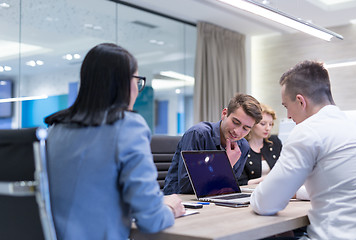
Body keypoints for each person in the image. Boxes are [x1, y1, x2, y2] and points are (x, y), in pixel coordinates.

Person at [44, 43, 185, 239]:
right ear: (124, 84)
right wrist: (169, 208)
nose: (137, 89)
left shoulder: (55, 129)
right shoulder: (128, 126)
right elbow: (151, 220)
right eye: (137, 80)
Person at [250, 60, 356, 240]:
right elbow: (337, 186)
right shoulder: (353, 126)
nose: (288, 116)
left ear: (300, 101)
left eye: (286, 106)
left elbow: (266, 203)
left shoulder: (307, 131)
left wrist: (258, 193)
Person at [163, 93, 263, 195]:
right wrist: (225, 165)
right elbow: (187, 187)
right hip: (182, 201)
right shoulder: (198, 134)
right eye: (235, 122)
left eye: (245, 128)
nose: (237, 131)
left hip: (215, 200)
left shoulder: (243, 146)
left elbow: (228, 186)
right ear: (224, 114)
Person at [238, 103, 282, 185]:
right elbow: (240, 182)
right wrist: (265, 180)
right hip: (250, 193)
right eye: (263, 124)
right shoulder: (240, 147)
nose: (268, 128)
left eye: (270, 124)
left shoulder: (274, 142)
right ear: (251, 123)